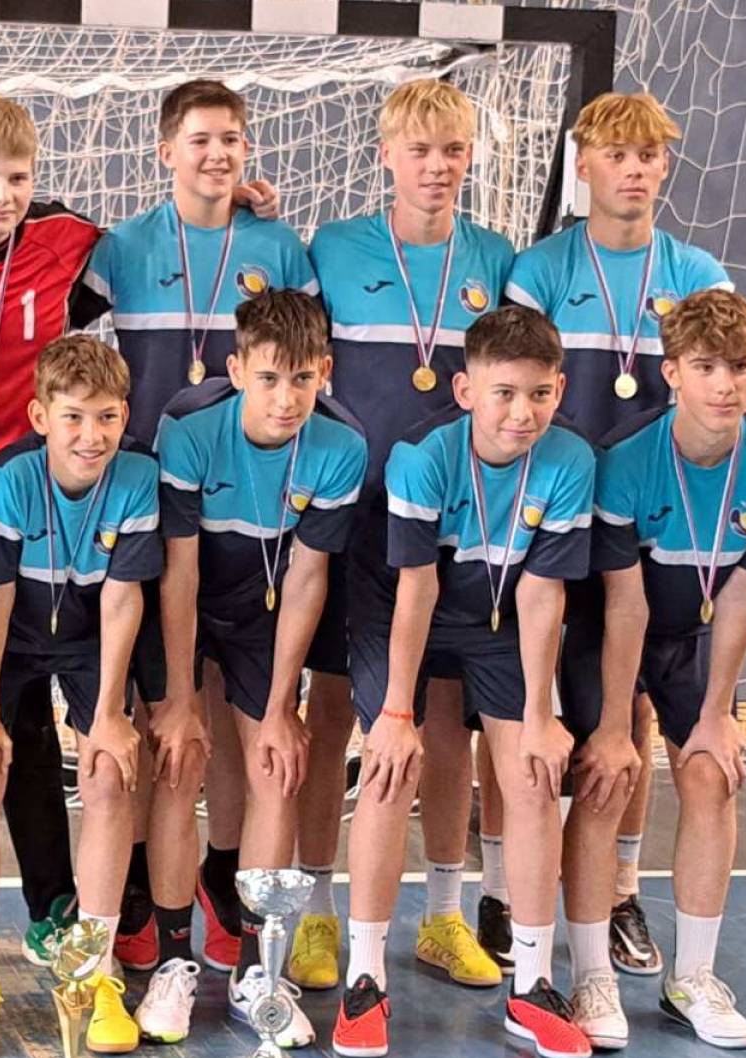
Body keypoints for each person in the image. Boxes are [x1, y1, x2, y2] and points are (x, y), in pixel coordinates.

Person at [0, 94, 282, 979]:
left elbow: (162, 244)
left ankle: (52, 904)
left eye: (17, 179)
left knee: (27, 724)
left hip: (41, 517)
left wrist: (229, 199)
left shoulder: (68, 241)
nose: (1, 196)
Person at [503, 90, 746, 977]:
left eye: (649, 156)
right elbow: (518, 369)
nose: (635, 171)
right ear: (584, 166)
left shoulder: (695, 267)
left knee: (628, 710)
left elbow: (741, 348)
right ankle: (505, 893)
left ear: (665, 167)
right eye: (618, 154)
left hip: (658, 512)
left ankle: (622, 893)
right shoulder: (543, 268)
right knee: (523, 709)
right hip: (564, 510)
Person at [79, 77, 318, 987]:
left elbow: (305, 357)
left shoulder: (279, 245)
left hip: (252, 511)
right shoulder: (120, 248)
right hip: (150, 503)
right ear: (165, 151)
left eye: (232, 140)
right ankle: (145, 893)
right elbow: (50, 330)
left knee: (226, 711)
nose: (218, 154)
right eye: (201, 140)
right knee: (160, 708)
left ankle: (221, 884)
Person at [332, 305, 594, 1058]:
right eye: (504, 393)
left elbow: (543, 594)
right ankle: (365, 979)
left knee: (535, 773)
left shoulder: (571, 461)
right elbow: (414, 590)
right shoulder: (423, 458)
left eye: (539, 394)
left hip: (498, 615)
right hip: (399, 607)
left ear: (559, 389)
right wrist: (395, 712)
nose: (522, 413)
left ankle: (534, 984)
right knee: (391, 767)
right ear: (466, 390)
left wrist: (540, 715)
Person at [558, 289, 746, 1052]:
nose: (725, 385)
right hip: (608, 628)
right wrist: (613, 727)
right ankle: (591, 977)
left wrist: (715, 715)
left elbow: (741, 596)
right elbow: (624, 604)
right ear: (671, 373)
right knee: (606, 779)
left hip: (695, 634)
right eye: (705, 367)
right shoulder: (623, 463)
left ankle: (693, 978)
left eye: (739, 366)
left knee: (710, 773)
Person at [311, 76, 513, 988]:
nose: (437, 167)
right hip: (352, 523)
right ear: (386, 154)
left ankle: (441, 916)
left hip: (454, 528)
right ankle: (317, 915)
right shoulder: (331, 248)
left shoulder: (497, 258)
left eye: (453, 150)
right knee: (326, 717)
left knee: (444, 725)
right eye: (419, 150)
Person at [153, 289, 367, 1048]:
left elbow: (307, 579)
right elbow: (178, 572)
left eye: (303, 379)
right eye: (270, 378)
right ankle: (172, 962)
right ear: (237, 369)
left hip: (266, 608)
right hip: (188, 595)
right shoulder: (187, 427)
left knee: (276, 767)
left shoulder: (342, 447)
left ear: (325, 373)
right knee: (179, 758)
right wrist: (180, 695)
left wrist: (281, 706)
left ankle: (258, 972)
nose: (286, 399)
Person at [0, 335, 159, 1056]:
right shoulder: (11, 476)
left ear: (125, 416)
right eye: (74, 418)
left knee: (110, 773)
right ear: (40, 417)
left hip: (91, 635)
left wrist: (111, 716)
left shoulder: (137, 477)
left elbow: (123, 599)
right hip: (11, 632)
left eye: (107, 417)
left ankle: (94, 972)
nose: (92, 436)